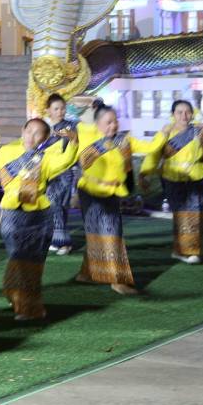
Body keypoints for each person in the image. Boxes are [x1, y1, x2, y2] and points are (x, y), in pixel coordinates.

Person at [0, 120, 80, 320]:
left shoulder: (46, 157)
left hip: (40, 215)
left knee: (34, 262)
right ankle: (23, 301)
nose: (31, 136)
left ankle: (24, 300)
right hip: (12, 214)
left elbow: (65, 161)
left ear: (45, 138)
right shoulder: (6, 152)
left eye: (38, 134)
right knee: (20, 258)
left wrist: (74, 142)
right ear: (22, 131)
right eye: (29, 131)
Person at [139, 100, 203, 264]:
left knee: (194, 214)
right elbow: (154, 154)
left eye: (187, 112)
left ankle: (192, 251)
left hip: (195, 177)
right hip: (172, 178)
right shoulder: (165, 132)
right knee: (180, 215)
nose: (183, 116)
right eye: (179, 112)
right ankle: (179, 250)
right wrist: (145, 173)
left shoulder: (200, 131)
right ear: (173, 115)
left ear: (192, 114)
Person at [71, 103, 150, 296]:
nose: (113, 126)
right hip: (90, 192)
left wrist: (165, 135)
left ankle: (88, 273)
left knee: (99, 231)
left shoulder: (121, 141)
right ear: (97, 123)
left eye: (115, 121)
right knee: (110, 231)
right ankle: (117, 280)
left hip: (110, 192)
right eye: (108, 122)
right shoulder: (88, 136)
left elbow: (149, 146)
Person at [43, 94, 81, 254]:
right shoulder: (46, 129)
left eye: (62, 108)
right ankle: (57, 240)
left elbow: (75, 146)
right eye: (56, 108)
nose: (60, 111)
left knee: (58, 205)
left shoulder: (70, 127)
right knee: (55, 207)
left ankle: (64, 243)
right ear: (48, 110)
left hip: (65, 172)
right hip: (48, 173)